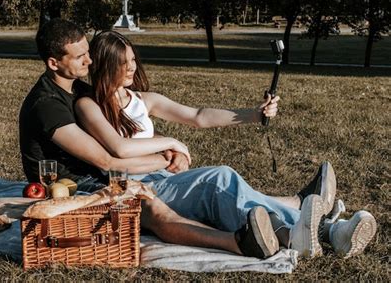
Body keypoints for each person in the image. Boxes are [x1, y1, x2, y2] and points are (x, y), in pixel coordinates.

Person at [19, 19, 375, 260]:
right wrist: (169, 149)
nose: (89, 60)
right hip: (105, 186)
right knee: (221, 179)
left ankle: (320, 222)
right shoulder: (66, 103)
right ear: (54, 63)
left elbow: (198, 115)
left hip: (146, 176)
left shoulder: (116, 95)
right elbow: (111, 157)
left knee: (225, 187)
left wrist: (253, 114)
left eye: (89, 54)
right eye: (81, 56)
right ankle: (315, 223)